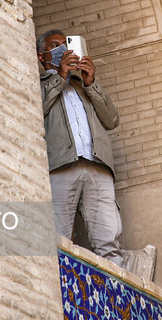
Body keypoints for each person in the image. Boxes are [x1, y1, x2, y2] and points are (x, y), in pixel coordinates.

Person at [36, 29, 123, 266]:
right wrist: (59, 76)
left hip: (97, 166)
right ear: (42, 56)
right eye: (55, 45)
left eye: (66, 44)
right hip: (61, 167)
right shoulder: (37, 85)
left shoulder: (83, 85)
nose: (63, 49)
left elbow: (111, 120)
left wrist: (91, 83)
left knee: (109, 241)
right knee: (59, 239)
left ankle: (117, 298)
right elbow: (34, 113)